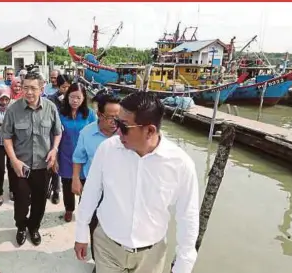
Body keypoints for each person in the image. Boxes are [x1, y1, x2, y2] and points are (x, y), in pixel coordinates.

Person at [74, 92, 200, 273]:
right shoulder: (108, 150)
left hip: (151, 254)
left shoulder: (180, 164)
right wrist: (81, 233)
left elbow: (188, 216)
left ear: (149, 131)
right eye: (117, 123)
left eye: (124, 127)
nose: (117, 131)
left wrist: (183, 265)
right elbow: (91, 192)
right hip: (107, 245)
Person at [2, 72, 62, 247]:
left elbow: (58, 132)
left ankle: (34, 227)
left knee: (40, 201)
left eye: (33, 88)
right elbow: (6, 137)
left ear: (42, 89)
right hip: (20, 166)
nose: (28, 92)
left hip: (43, 166)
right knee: (20, 202)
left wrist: (54, 149)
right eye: (25, 87)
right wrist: (13, 160)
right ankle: (21, 227)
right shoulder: (13, 110)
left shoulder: (50, 108)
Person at [71, 90, 121, 266]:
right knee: (92, 224)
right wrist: (76, 179)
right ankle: (99, 261)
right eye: (110, 117)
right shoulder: (87, 133)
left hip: (119, 190)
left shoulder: (126, 134)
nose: (115, 122)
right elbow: (79, 157)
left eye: (119, 117)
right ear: (99, 114)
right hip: (93, 187)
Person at [57, 83, 96, 222]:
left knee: (85, 186)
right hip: (65, 155)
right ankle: (69, 209)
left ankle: (83, 210)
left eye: (78, 98)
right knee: (67, 185)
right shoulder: (60, 113)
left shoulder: (90, 114)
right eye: (72, 97)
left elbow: (96, 134)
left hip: (85, 159)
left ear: (84, 98)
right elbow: (55, 135)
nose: (75, 101)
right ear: (67, 97)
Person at [46, 73, 72, 204]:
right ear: (58, 86)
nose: (66, 90)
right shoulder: (51, 99)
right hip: (54, 134)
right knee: (54, 162)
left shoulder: (73, 99)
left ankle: (66, 188)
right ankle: (55, 190)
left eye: (68, 87)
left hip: (68, 136)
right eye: (63, 87)